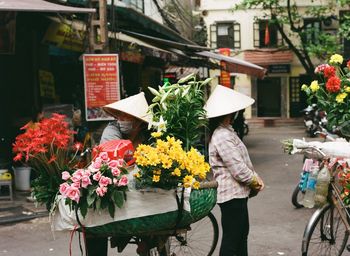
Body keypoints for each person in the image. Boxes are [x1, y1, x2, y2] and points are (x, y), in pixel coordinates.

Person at [86, 92, 150, 256]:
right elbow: (114, 160)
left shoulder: (144, 136)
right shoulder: (111, 131)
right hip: (109, 181)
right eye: (120, 116)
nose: (121, 120)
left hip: (135, 186)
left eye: (126, 116)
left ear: (138, 121)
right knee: (96, 221)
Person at [205, 85, 264, 256]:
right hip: (231, 196)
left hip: (237, 195)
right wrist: (256, 181)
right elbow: (238, 169)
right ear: (229, 113)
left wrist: (255, 180)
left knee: (240, 236)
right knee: (232, 240)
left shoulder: (225, 132)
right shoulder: (222, 136)